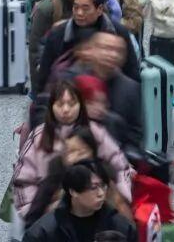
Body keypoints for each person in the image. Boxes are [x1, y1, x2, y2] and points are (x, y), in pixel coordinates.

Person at [12, 79, 130, 220]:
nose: (66, 110)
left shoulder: (96, 132)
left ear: (81, 105)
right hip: (51, 214)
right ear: (51, 107)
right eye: (60, 104)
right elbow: (22, 181)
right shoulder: (39, 137)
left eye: (72, 103)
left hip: (97, 209)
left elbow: (120, 165)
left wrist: (118, 195)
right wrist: (33, 212)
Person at [35, 0, 139, 92]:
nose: (79, 13)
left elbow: (132, 72)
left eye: (85, 8)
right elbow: (44, 77)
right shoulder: (58, 34)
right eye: (76, 7)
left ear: (99, 9)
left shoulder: (118, 32)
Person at [20, 160, 136, 242]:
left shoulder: (121, 228)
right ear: (73, 191)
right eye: (93, 188)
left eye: (103, 186)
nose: (101, 193)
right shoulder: (43, 232)